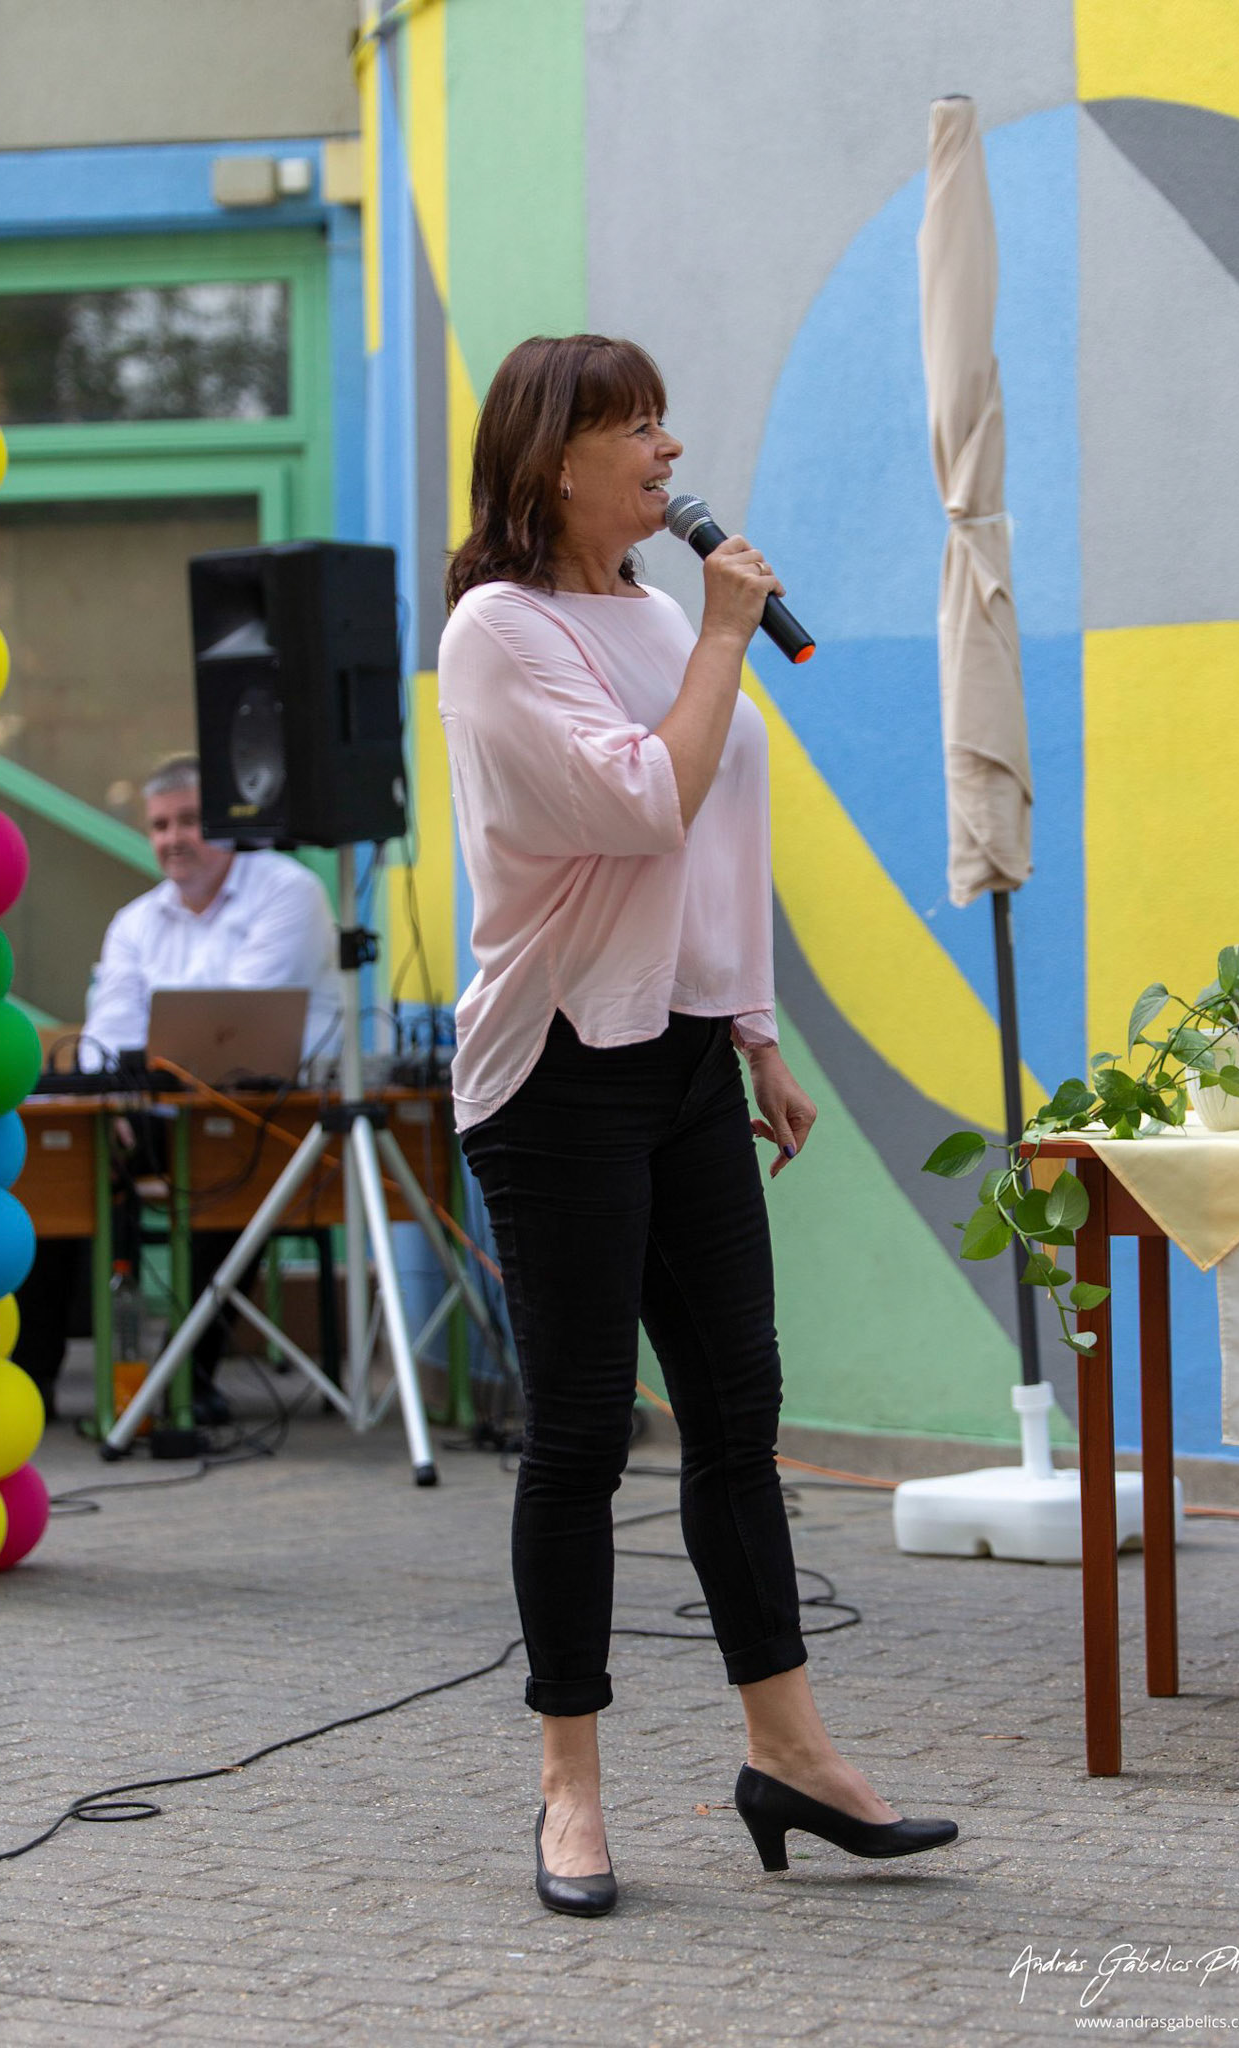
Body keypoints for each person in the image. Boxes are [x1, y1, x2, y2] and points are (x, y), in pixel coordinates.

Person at [438, 334, 958, 1917]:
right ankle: (568, 1788)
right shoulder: (497, 632)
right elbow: (644, 800)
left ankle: (788, 1755)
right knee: (583, 1433)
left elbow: (723, 840)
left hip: (678, 1057)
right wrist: (728, 630)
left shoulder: (661, 615)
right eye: (636, 427)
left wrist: (753, 1031)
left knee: (739, 1413)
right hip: (557, 1070)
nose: (670, 452)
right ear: (556, 462)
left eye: (667, 424)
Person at [14, 754, 342, 1423]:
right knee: (54, 1155)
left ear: (225, 822)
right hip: (151, 1114)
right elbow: (110, 1034)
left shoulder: (288, 891)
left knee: (222, 1155)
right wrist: (116, 1099)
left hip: (270, 1118)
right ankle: (31, 1382)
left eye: (189, 820)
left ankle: (184, 1379)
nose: (172, 839)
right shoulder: (136, 921)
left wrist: (141, 1075)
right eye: (160, 825)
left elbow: (236, 1025)